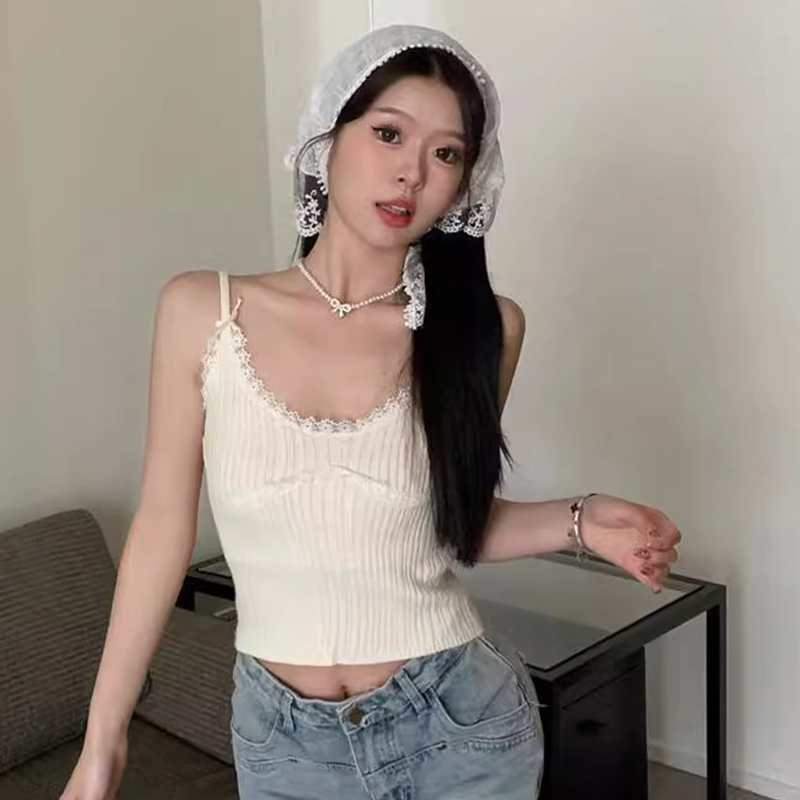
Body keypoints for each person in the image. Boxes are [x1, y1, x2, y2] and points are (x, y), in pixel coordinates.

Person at [60, 24, 681, 800]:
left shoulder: (483, 330)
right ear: (328, 138)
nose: (411, 172)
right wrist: (103, 743)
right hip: (285, 743)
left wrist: (583, 520)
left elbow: (450, 525)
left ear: (464, 184)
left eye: (445, 153)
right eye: (389, 133)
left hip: (460, 724)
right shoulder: (202, 311)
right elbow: (159, 531)